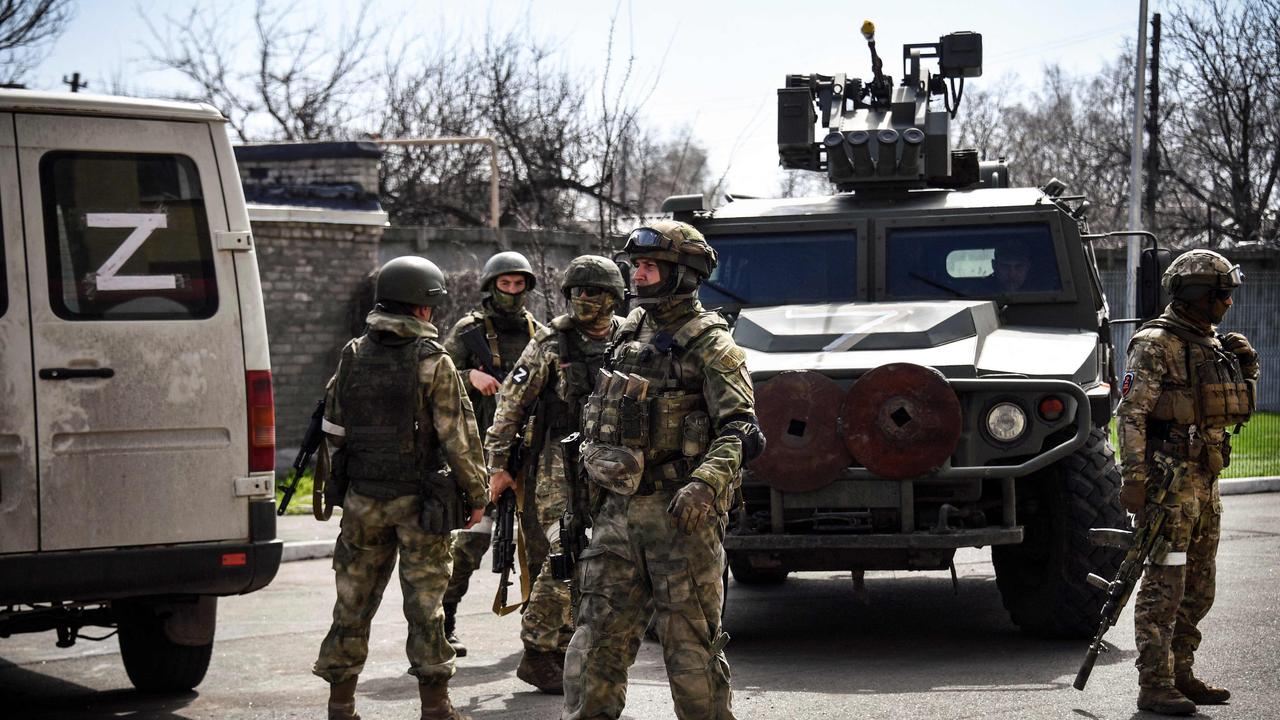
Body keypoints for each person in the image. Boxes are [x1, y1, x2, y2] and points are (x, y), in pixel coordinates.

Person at [561, 220, 765, 720]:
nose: (640, 274)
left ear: (684, 274)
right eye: (638, 265)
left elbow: (741, 430)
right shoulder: (627, 332)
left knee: (690, 649)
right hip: (615, 515)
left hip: (681, 518)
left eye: (651, 266)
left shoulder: (713, 346)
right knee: (593, 643)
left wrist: (705, 483)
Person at [313, 255, 489, 720]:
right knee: (426, 608)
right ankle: (436, 708)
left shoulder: (353, 353)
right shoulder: (434, 362)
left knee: (351, 603)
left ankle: (341, 705)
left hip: (363, 500)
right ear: (424, 308)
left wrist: (339, 490)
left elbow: (334, 429)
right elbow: (460, 438)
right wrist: (477, 495)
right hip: (420, 506)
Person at [1115, 248, 1258, 716]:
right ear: (1198, 295)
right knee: (1164, 583)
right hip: (1168, 483)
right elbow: (1131, 414)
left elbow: (1222, 407)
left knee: (1199, 583)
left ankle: (1181, 672)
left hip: (1204, 479)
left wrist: (1244, 370)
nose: (1228, 304)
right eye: (1222, 295)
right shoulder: (1155, 343)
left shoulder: (1210, 342)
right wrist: (1133, 478)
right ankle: (1154, 684)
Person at [485, 255, 627, 694]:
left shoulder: (629, 337)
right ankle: (537, 649)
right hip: (557, 467)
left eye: (594, 292)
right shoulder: (549, 343)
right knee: (564, 556)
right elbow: (510, 406)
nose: (584, 300)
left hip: (615, 466)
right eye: (576, 292)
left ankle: (569, 643)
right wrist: (498, 467)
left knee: (604, 559)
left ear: (613, 297)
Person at [441, 251, 545, 655]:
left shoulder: (539, 332)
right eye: (506, 284)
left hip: (529, 453)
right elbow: (438, 375)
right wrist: (471, 375)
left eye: (520, 285)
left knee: (536, 545)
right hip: (479, 455)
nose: (513, 292)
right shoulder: (469, 331)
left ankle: (539, 628)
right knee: (469, 544)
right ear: (491, 285)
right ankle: (444, 622)